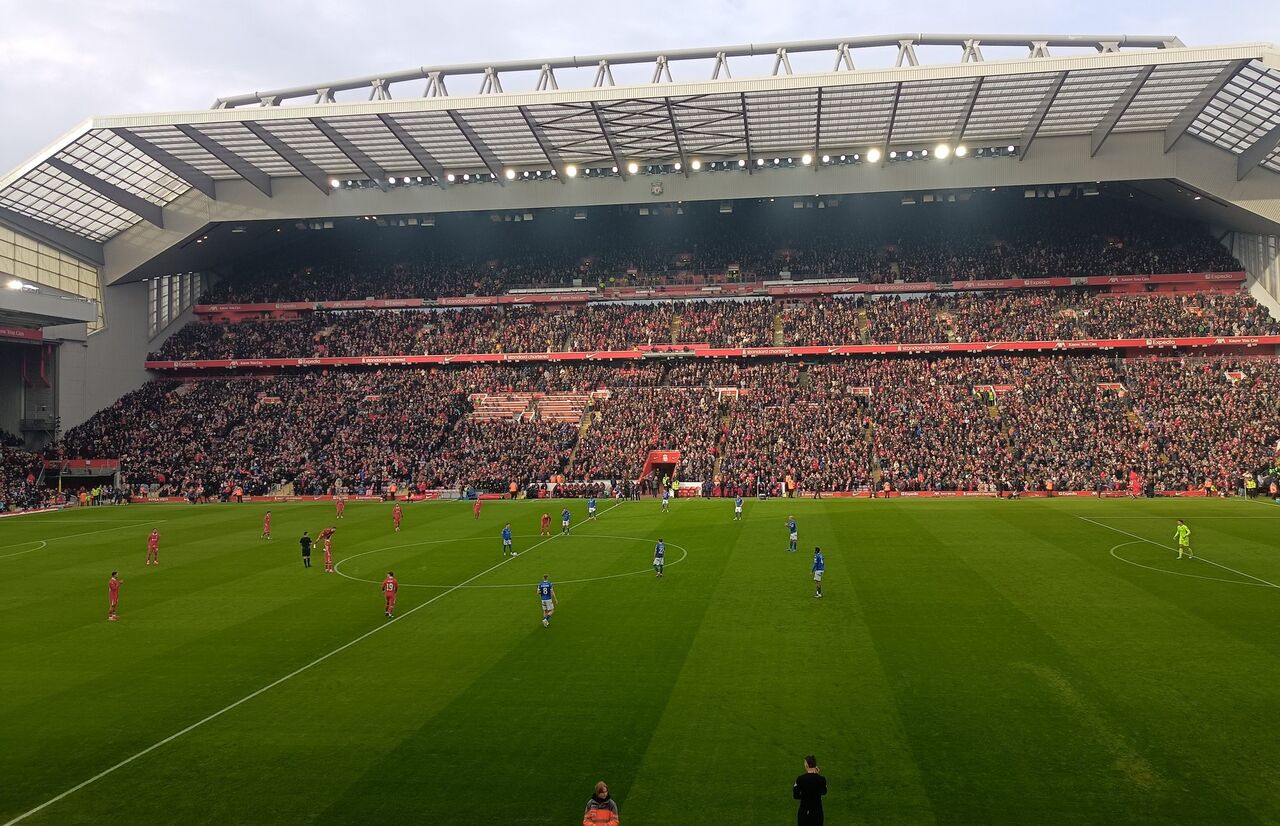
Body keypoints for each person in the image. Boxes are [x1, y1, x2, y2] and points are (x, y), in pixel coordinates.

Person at [793, 755, 827, 825]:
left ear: (807, 765)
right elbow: (824, 792)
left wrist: (805, 796)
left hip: (804, 813)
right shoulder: (822, 779)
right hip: (817, 814)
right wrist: (817, 775)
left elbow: (795, 796)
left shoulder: (800, 779)